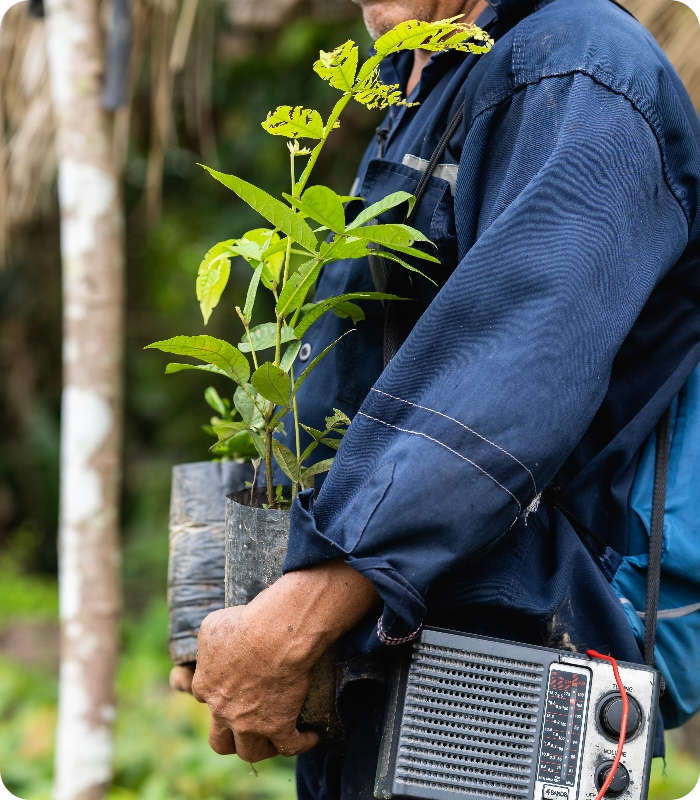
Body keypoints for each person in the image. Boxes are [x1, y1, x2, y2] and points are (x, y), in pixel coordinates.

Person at [188, 0, 700, 797]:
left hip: (514, 674)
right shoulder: (421, 82)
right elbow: (346, 383)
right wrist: (233, 592)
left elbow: (506, 382)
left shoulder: (580, 70)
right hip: (392, 660)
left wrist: (296, 616)